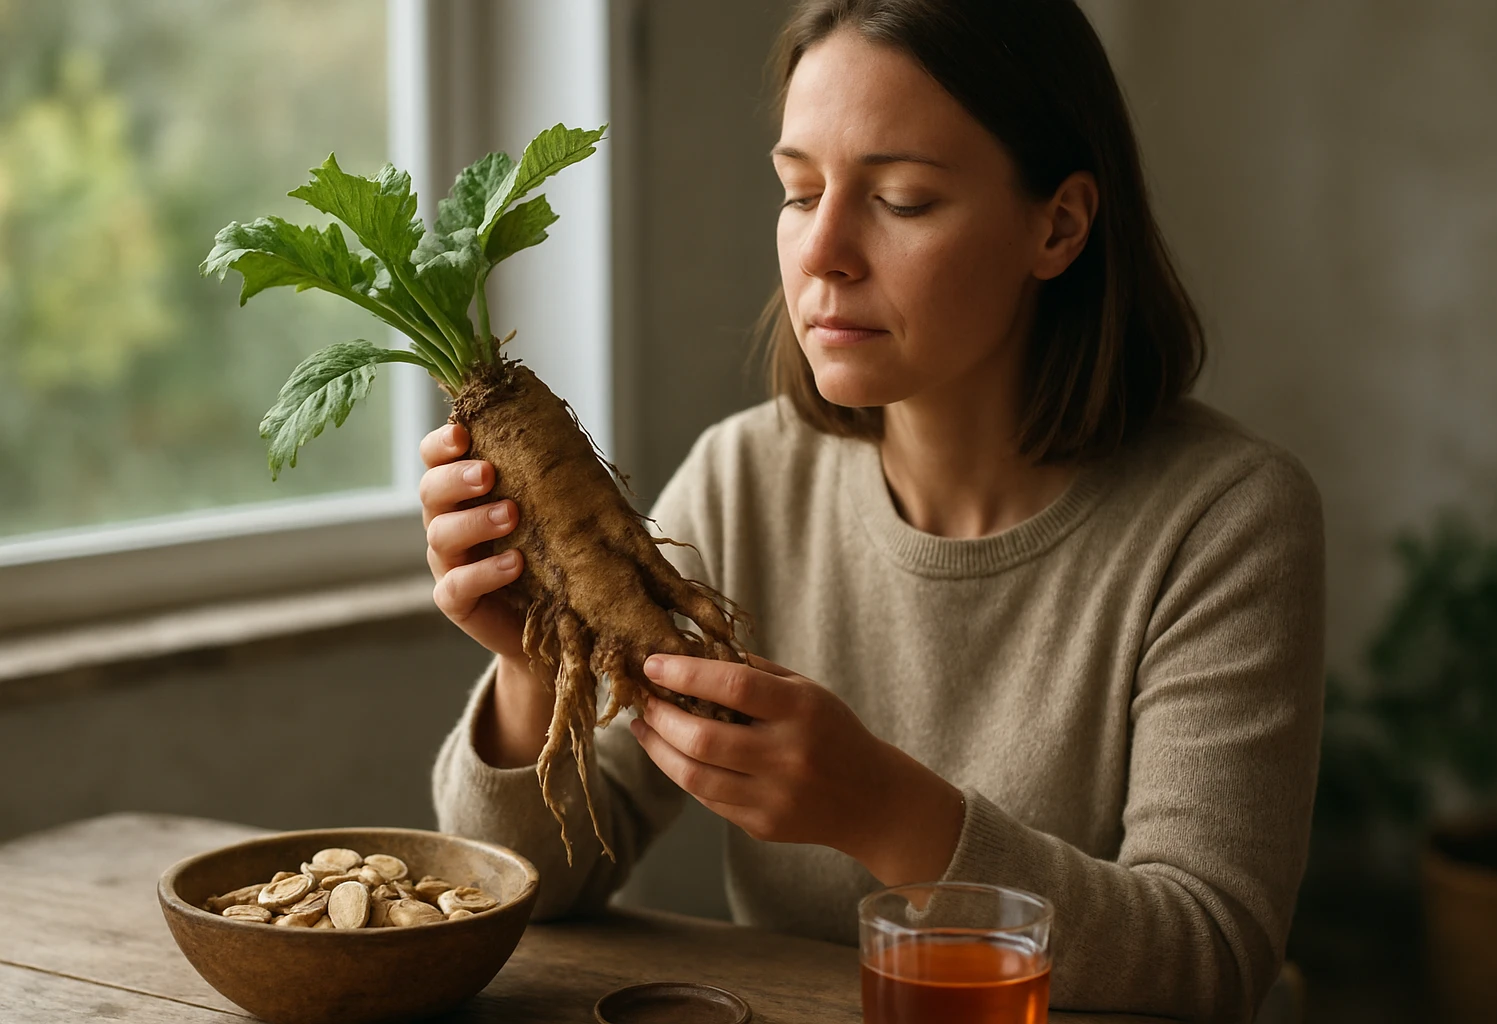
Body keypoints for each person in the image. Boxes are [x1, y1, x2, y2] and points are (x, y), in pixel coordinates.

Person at [421, 1, 1324, 1020]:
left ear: (1058, 224)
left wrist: (886, 810)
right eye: (800, 191)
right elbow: (533, 882)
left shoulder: (1227, 519)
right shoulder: (743, 477)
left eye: (900, 199)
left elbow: (1208, 957)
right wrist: (534, 668)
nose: (824, 252)